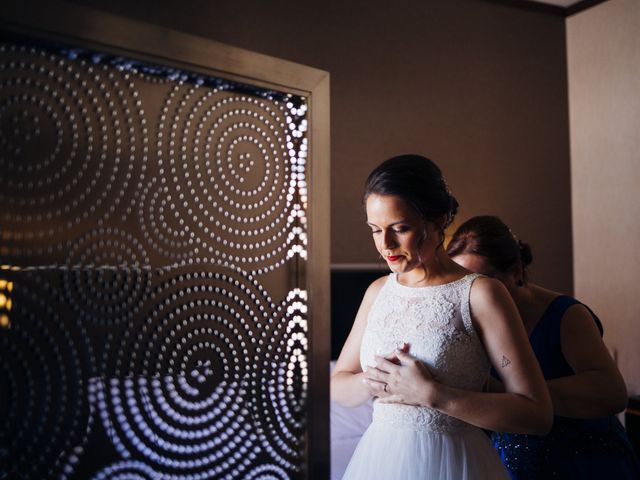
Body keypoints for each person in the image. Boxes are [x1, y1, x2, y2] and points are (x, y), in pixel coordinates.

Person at [330, 155, 553, 480]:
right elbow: (338, 384)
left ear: (440, 220)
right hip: (380, 460)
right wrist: (373, 381)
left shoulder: (479, 294)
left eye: (400, 229)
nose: (386, 245)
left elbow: (537, 414)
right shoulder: (377, 292)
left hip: (454, 462)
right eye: (375, 230)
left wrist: (433, 395)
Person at [446, 215, 640, 479]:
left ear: (515, 271)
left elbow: (612, 393)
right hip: (508, 463)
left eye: (482, 281)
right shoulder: (467, 320)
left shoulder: (566, 316)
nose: (472, 295)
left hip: (582, 462)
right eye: (462, 284)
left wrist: (517, 394)